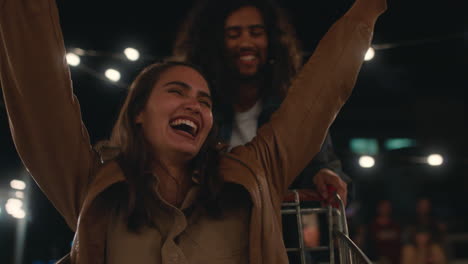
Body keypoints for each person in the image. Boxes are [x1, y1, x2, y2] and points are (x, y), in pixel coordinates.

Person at [0, 0, 386, 263]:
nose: (195, 104)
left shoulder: (252, 174)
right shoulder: (93, 186)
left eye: (204, 100)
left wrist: (368, 8)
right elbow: (39, 95)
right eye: (176, 91)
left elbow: (319, 94)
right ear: (138, 113)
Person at [173, 0, 349, 207]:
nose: (246, 43)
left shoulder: (294, 109)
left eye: (256, 33)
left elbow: (322, 162)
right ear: (215, 43)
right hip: (206, 230)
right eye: (233, 34)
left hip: (278, 232)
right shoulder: (198, 108)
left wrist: (325, 175)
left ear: (273, 41)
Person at [368, 200, 402, 264]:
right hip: (376, 259)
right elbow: (370, 246)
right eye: (383, 207)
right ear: (378, 208)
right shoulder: (373, 226)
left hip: (394, 259)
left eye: (387, 207)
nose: (385, 209)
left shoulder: (395, 225)